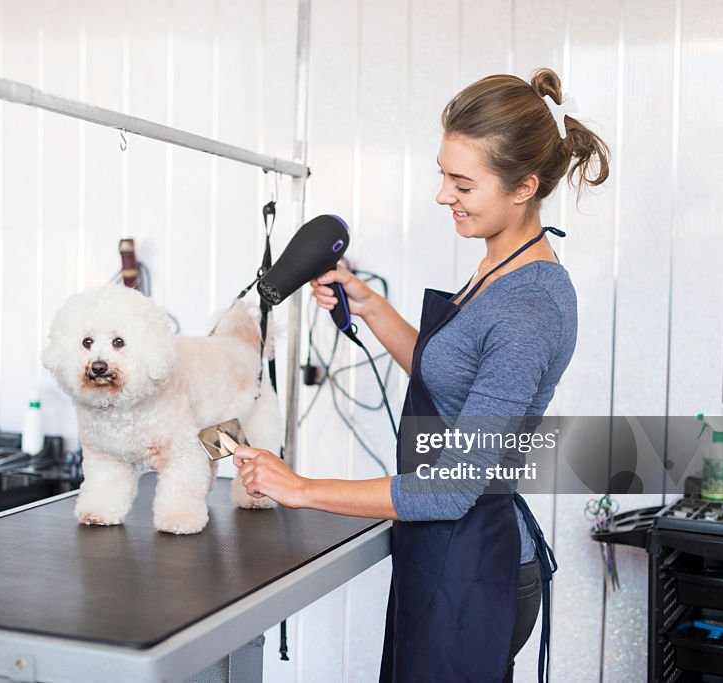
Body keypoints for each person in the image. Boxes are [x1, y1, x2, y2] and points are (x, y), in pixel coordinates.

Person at [233, 68, 610, 682]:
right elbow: (450, 380)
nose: (443, 195)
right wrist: (370, 304)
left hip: (475, 564)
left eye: (462, 182)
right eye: (443, 173)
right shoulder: (498, 267)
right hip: (441, 551)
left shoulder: (530, 308)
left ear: (525, 187)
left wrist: (299, 488)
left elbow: (453, 486)